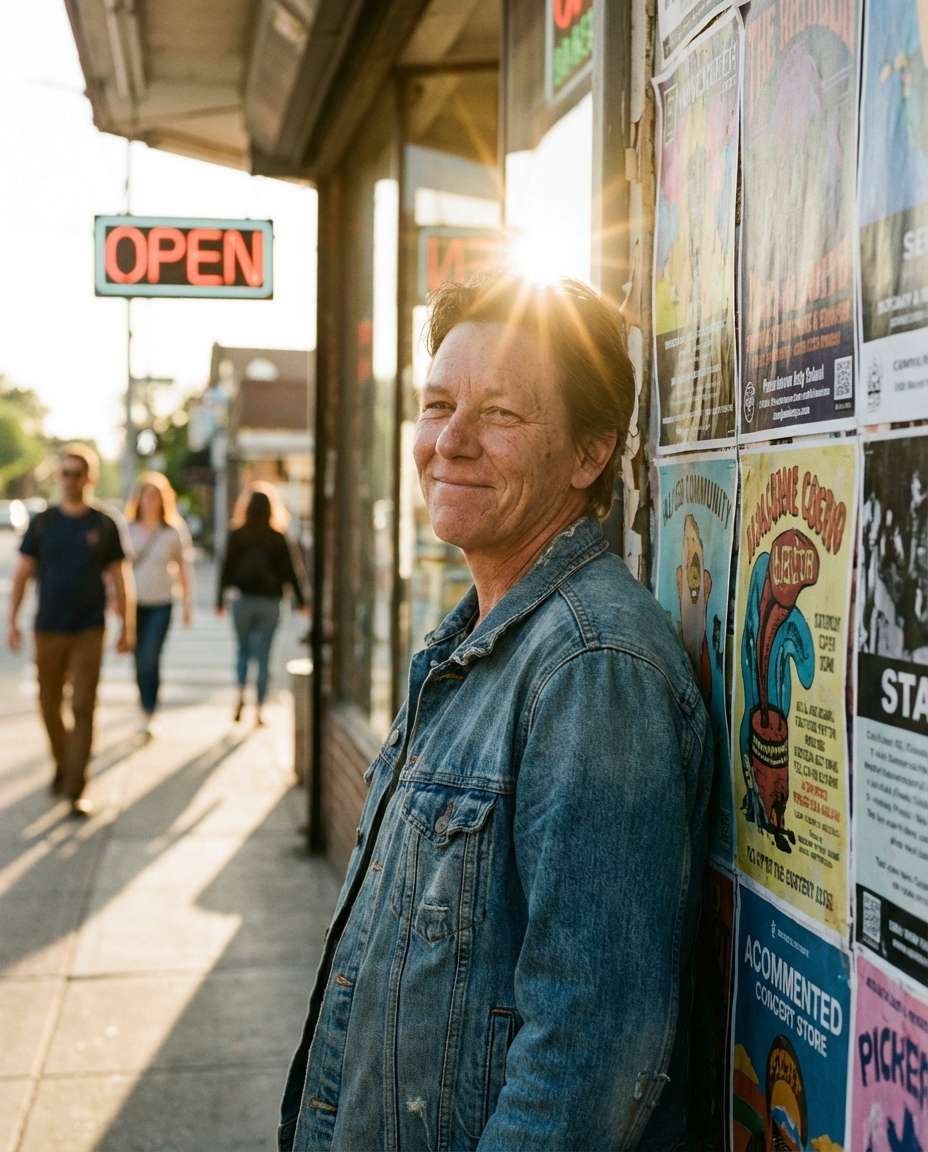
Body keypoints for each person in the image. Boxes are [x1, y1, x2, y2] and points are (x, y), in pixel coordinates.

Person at [279, 274, 713, 1152]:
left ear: (590, 454)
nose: (451, 441)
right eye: (438, 404)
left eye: (502, 415)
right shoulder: (470, 644)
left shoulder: (594, 670)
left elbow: (587, 1057)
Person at [7, 444, 135, 817]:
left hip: (88, 629)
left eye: (77, 473)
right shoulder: (44, 522)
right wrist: (12, 620)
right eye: (65, 473)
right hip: (47, 628)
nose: (71, 480)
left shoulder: (103, 523)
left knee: (82, 706)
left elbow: (121, 577)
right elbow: (23, 573)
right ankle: (64, 764)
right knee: (48, 704)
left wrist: (128, 625)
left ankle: (77, 786)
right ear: (59, 477)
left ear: (89, 478)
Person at [217, 482, 307, 726]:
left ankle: (239, 694)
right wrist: (302, 601)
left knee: (243, 652)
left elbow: (226, 568)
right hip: (270, 602)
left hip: (243, 600)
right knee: (264, 656)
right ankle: (258, 711)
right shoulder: (278, 536)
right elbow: (292, 571)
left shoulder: (236, 534)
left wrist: (219, 600)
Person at [125, 471, 194, 735]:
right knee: (138, 658)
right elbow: (116, 569)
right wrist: (113, 598)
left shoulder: (173, 531)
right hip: (134, 604)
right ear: (139, 498)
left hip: (162, 603)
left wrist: (187, 604)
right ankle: (143, 704)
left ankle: (150, 709)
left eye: (155, 495)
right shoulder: (128, 529)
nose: (150, 500)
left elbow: (184, 568)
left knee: (150, 657)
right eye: (146, 495)